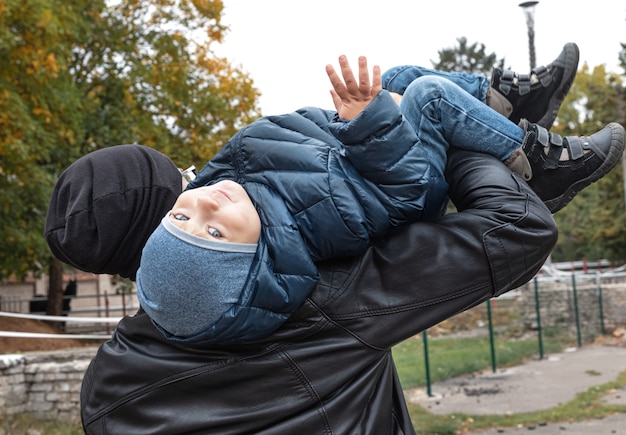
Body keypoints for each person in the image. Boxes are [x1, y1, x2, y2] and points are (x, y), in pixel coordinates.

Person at [44, 51, 621, 435]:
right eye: (183, 180)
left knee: (399, 87)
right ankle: (534, 149)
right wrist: (461, 145)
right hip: (410, 169)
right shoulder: (317, 293)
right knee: (425, 98)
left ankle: (506, 108)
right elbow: (516, 228)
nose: (203, 187)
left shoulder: (107, 389)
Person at [132, 49, 624, 345]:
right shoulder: (317, 221)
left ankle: (509, 97)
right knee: (428, 96)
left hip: (363, 154)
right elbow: (403, 188)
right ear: (259, 257)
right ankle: (541, 165)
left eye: (182, 214)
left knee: (396, 78)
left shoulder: (234, 182)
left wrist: (352, 117)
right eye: (215, 234)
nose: (207, 205)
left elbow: (306, 149)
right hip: (408, 184)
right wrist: (368, 124)